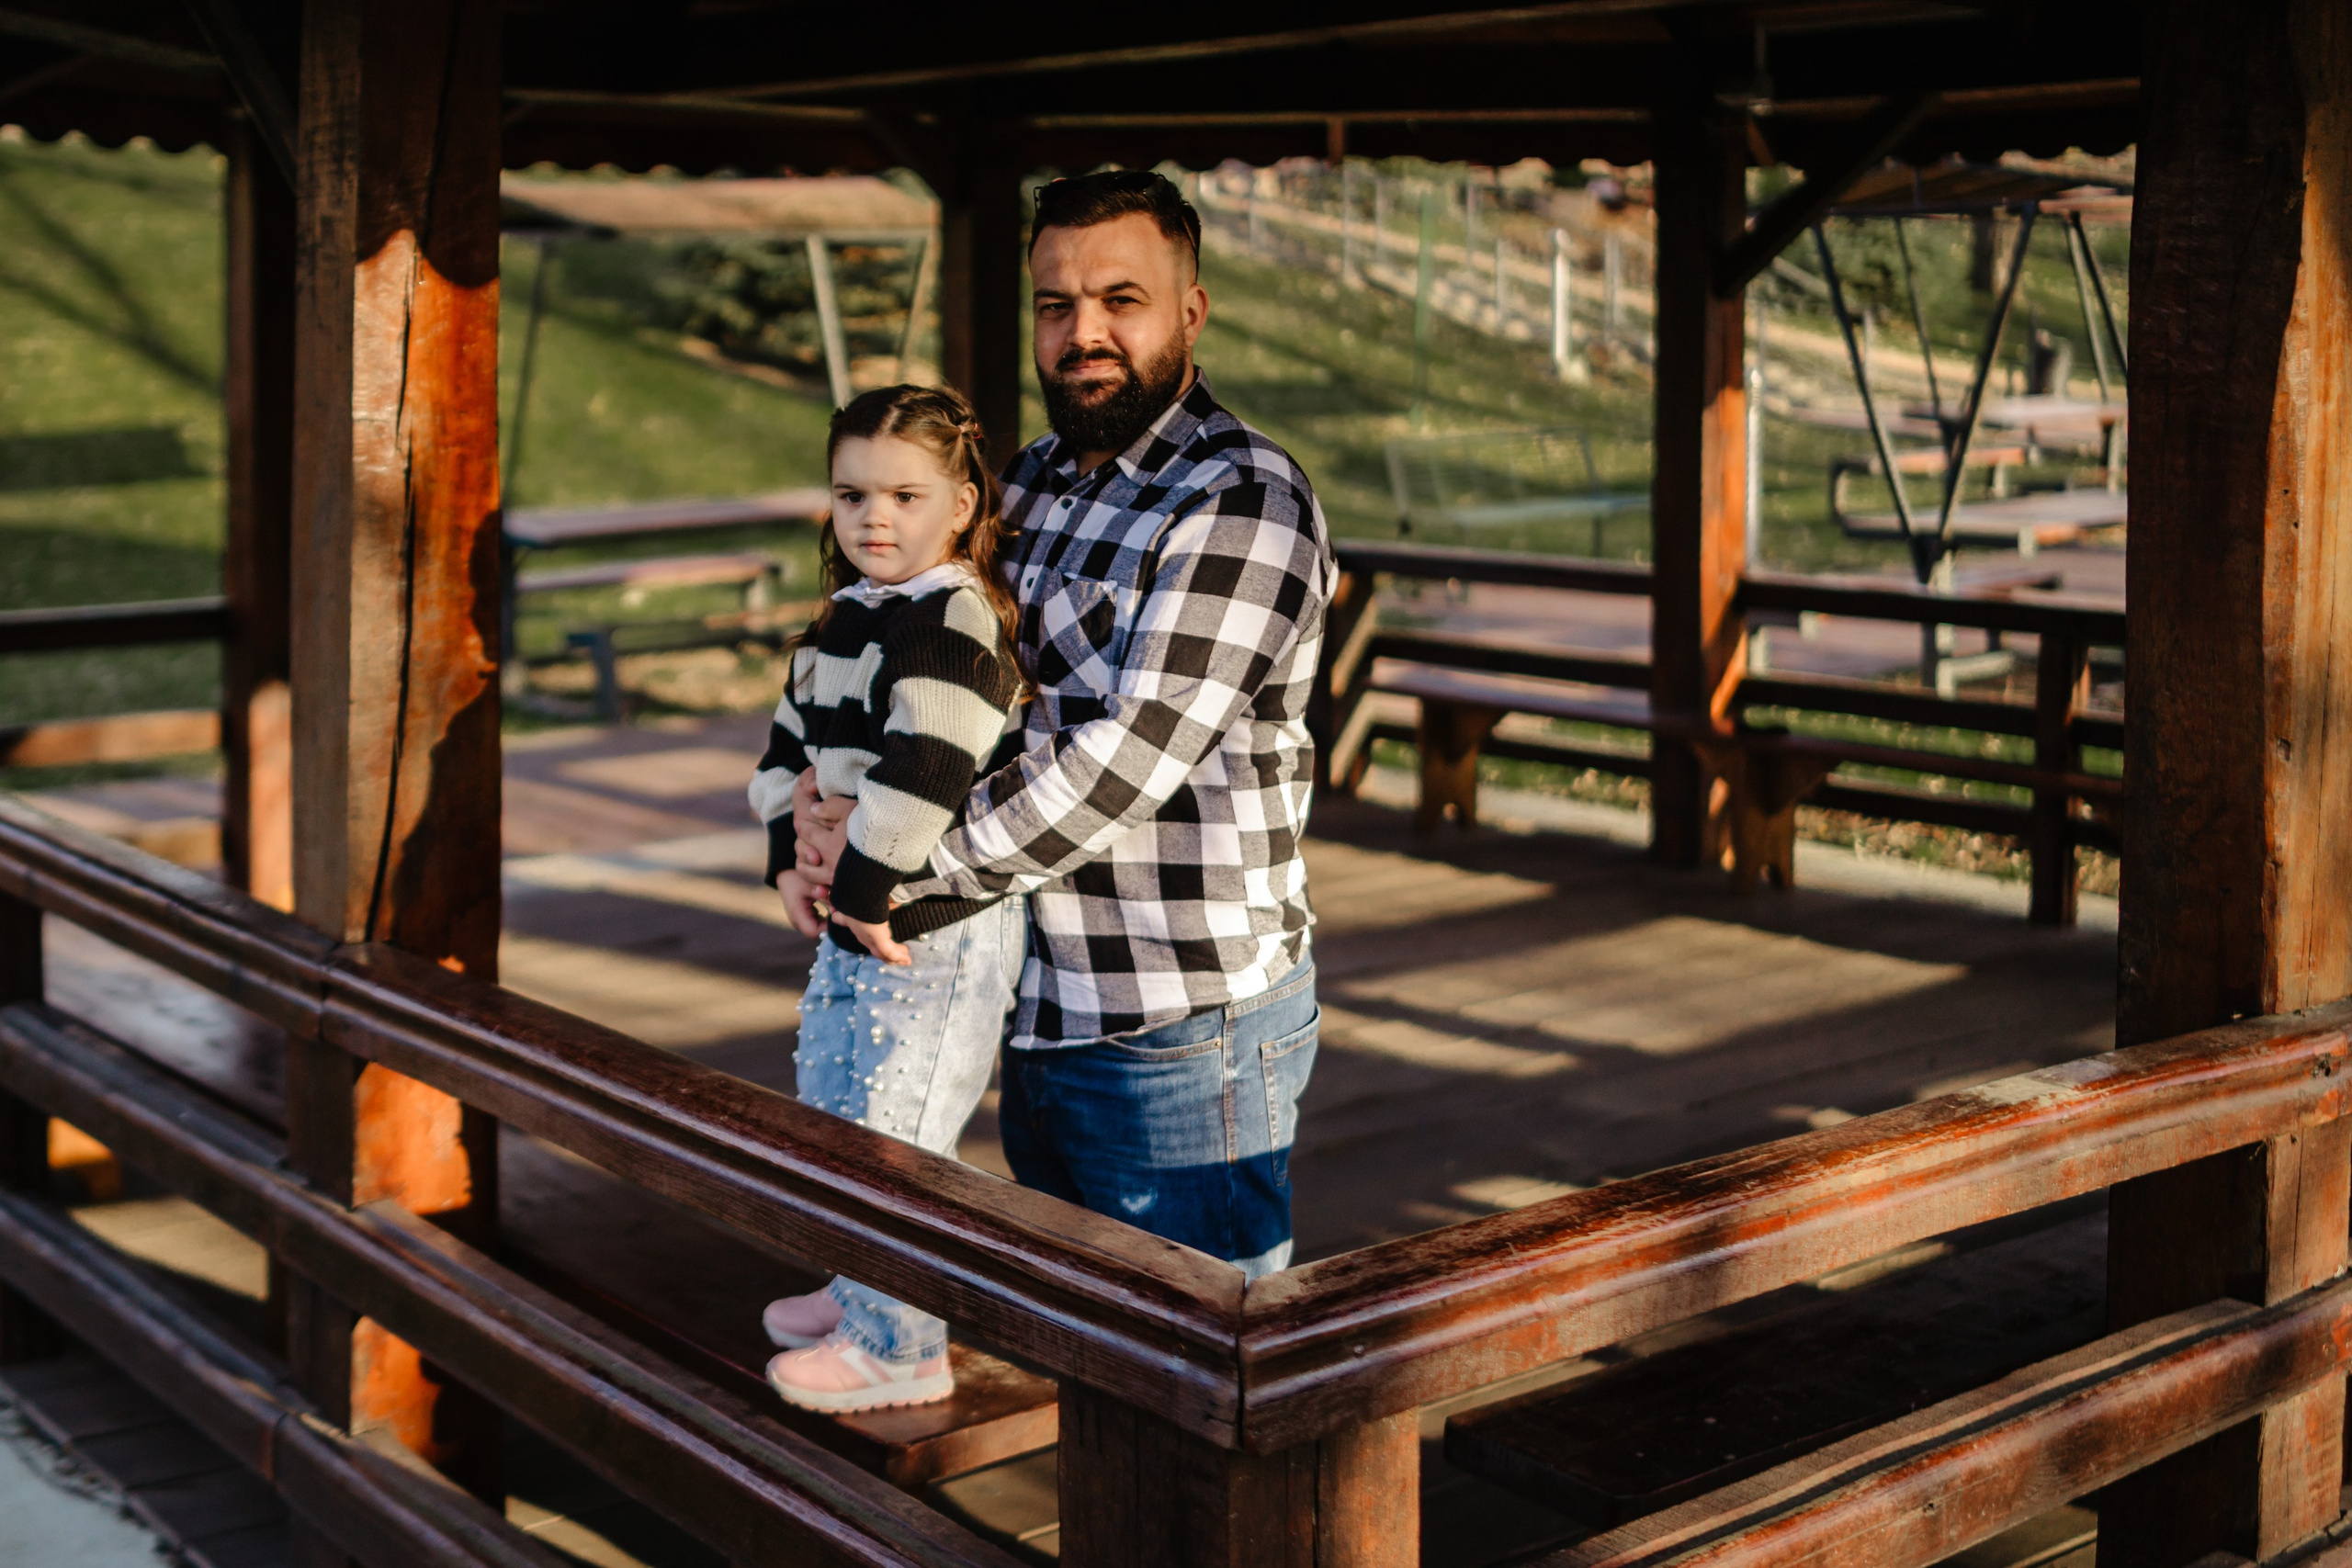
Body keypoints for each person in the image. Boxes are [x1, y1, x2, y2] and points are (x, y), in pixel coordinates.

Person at [794, 169, 1335, 1280]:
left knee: (1210, 1368)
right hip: (1029, 989)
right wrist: (818, 801)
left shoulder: (1241, 500)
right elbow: (924, 671)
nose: (1083, 333)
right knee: (1091, 1343)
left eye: (1120, 300)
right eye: (1056, 305)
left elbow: (1124, 762)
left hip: (1178, 1020)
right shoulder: (1026, 482)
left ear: (1190, 310)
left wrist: (887, 857)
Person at [749, 383, 1027, 1412]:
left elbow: (930, 760)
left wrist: (862, 880)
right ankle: (861, 1284)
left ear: (960, 505)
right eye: (851, 494)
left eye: (906, 496)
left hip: (934, 932)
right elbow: (789, 745)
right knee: (836, 1098)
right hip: (857, 922)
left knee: (897, 1126)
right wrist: (788, 852)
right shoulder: (846, 620)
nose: (875, 517)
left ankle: (902, 1346)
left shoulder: (948, 614)